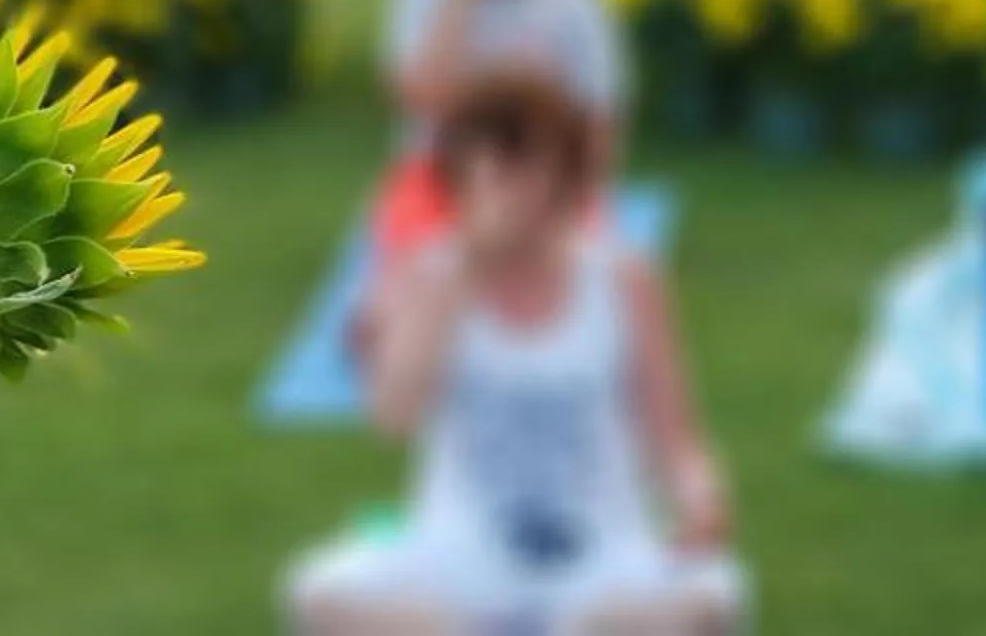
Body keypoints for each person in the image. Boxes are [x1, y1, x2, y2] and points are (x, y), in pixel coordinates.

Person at [289, 73, 741, 636]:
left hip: (600, 558)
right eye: (477, 170)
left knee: (707, 602)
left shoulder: (623, 279)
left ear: (562, 177)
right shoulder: (428, 274)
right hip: (459, 560)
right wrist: (461, 268)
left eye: (515, 167)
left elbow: (676, 441)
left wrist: (701, 498)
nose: (497, 190)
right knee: (322, 597)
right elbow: (393, 417)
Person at [375, 0, 628, 260]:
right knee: (415, 277)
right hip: (439, 172)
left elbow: (600, 126)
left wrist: (566, 197)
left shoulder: (577, 4)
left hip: (545, 171)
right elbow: (421, 101)